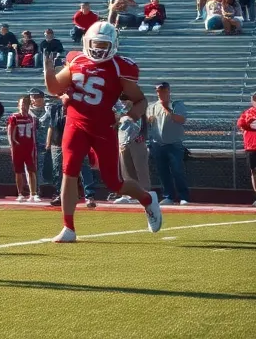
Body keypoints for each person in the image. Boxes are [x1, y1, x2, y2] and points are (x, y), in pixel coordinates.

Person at [43, 22, 162, 242]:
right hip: (75, 123)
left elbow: (141, 100)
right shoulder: (76, 60)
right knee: (69, 172)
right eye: (95, 44)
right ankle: (68, 227)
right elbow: (54, 89)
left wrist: (129, 116)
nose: (98, 49)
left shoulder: (120, 67)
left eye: (103, 45)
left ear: (113, 45)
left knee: (114, 182)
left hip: (103, 127)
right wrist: (48, 72)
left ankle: (147, 199)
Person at [147, 82, 190, 205]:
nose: (161, 93)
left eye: (164, 90)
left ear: (169, 91)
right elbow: (149, 122)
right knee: (163, 172)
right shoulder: (152, 107)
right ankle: (169, 196)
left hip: (174, 144)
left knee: (177, 171)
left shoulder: (177, 104)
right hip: (157, 144)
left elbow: (181, 120)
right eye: (159, 91)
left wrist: (167, 108)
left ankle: (183, 196)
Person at [116, 96, 150, 200]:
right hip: (123, 140)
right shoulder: (116, 105)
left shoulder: (137, 103)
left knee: (140, 168)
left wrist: (143, 135)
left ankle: (145, 192)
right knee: (126, 169)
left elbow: (144, 120)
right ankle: (130, 194)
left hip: (136, 140)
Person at [7, 95, 39, 201]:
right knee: (18, 171)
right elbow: (10, 133)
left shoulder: (32, 118)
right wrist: (13, 144)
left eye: (25, 104)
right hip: (18, 147)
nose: (22, 106)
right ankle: (20, 193)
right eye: (21, 104)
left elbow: (34, 133)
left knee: (31, 170)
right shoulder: (14, 117)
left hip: (30, 147)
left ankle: (33, 193)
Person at [237, 93, 256, 204]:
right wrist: (249, 125)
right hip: (251, 146)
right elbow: (241, 123)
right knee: (253, 171)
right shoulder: (248, 113)